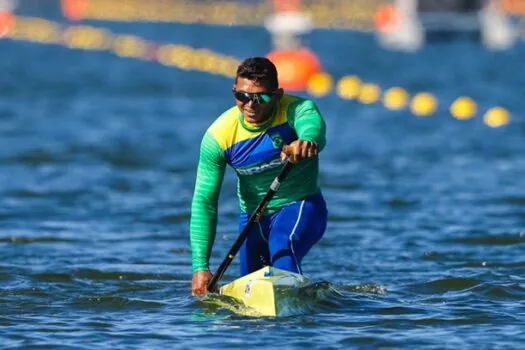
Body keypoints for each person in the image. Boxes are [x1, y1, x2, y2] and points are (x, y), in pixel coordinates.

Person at [190, 57, 328, 296]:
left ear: (277, 95)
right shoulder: (218, 137)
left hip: (301, 206)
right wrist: (200, 266)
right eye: (242, 97)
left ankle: (296, 323)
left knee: (282, 246)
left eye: (260, 97)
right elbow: (205, 201)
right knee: (248, 290)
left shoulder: (297, 110)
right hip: (253, 218)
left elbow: (313, 128)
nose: (250, 105)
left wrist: (305, 142)